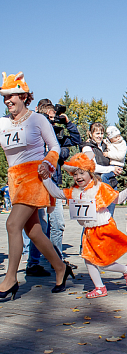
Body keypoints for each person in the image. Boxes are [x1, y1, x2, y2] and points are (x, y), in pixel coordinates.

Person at [0, 71, 73, 299]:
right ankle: (60, 267)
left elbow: (53, 147)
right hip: (15, 180)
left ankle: (11, 279)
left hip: (34, 177)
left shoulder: (37, 119)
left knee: (12, 224)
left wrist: (47, 163)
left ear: (24, 96)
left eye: (12, 96)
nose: (7, 101)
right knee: (34, 232)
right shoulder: (3, 123)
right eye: (4, 97)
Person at [43, 153, 127, 298]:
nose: (78, 177)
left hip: (103, 228)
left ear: (90, 172)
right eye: (75, 174)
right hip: (88, 231)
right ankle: (100, 287)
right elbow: (56, 192)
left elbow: (117, 199)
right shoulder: (74, 191)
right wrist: (46, 179)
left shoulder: (100, 187)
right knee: (88, 259)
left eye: (82, 173)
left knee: (103, 262)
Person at [26, 99, 81, 276]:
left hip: (54, 185)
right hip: (37, 184)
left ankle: (56, 261)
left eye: (53, 117)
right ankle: (33, 264)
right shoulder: (35, 134)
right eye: (48, 117)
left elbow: (76, 139)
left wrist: (68, 123)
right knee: (40, 227)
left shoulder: (57, 135)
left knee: (58, 224)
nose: (52, 120)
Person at [82, 122, 122, 216]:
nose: (100, 136)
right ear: (91, 134)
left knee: (108, 219)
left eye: (101, 133)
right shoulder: (87, 148)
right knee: (92, 221)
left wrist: (117, 168)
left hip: (110, 186)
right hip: (95, 188)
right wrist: (112, 169)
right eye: (97, 133)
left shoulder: (106, 146)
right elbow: (94, 167)